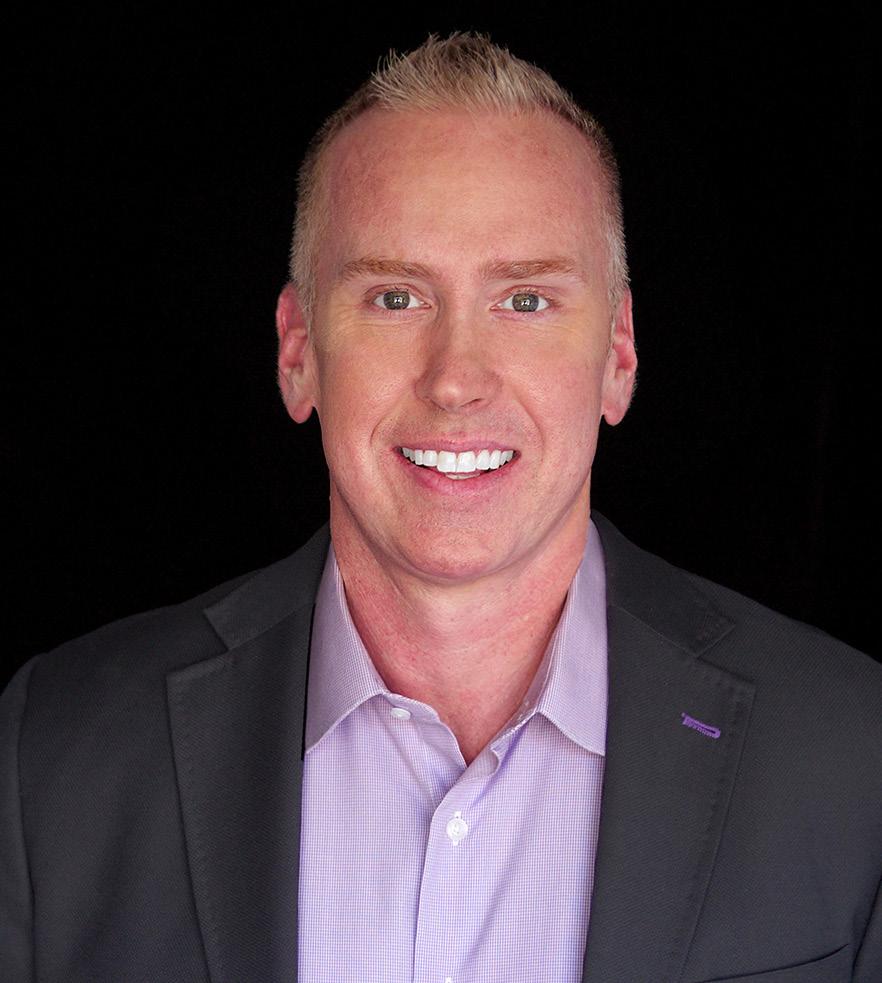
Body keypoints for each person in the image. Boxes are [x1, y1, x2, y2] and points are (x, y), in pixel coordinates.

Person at [2, 32, 880, 983]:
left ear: (620, 356)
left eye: (526, 301)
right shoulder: (55, 752)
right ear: (297, 353)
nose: (456, 378)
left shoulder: (852, 753)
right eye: (395, 297)